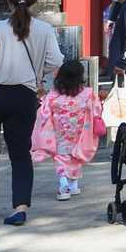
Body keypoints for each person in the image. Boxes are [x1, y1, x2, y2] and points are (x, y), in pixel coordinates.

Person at [0, 0, 64, 226]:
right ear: (35, 1)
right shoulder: (44, 29)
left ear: (8, 1)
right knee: (21, 153)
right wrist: (38, 73)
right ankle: (20, 207)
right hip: (24, 95)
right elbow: (56, 60)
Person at [31, 59, 106, 201]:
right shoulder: (87, 93)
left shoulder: (53, 95)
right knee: (76, 157)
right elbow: (96, 109)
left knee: (61, 157)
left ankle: (64, 184)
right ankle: (73, 184)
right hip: (80, 132)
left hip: (60, 133)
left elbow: (44, 112)